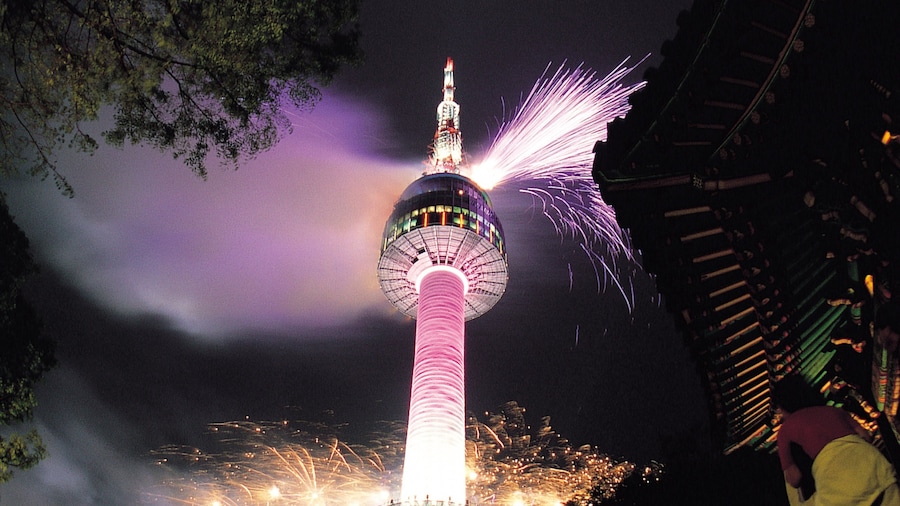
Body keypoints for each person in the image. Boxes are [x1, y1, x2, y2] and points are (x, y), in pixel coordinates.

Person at [774, 375, 900, 505]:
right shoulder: (834, 411)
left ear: (783, 406)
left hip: (838, 481)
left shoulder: (786, 430)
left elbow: (794, 478)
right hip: (873, 465)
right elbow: (865, 436)